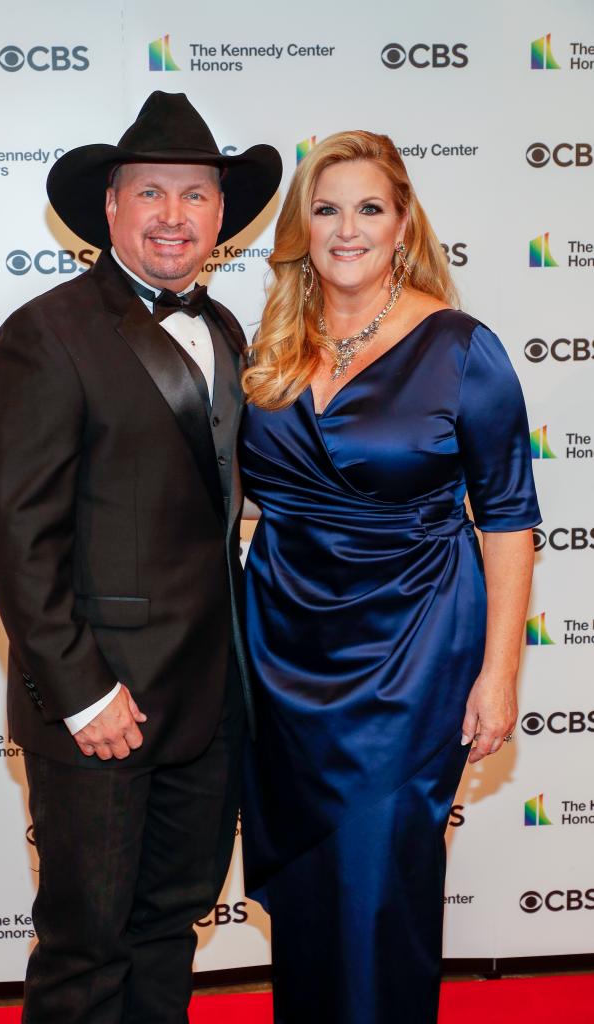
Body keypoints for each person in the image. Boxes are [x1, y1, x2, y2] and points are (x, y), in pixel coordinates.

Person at [0, 91, 281, 1024]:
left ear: (222, 215)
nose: (174, 216)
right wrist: (80, 693)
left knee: (166, 931)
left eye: (194, 195)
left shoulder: (228, 332)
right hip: (102, 705)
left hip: (207, 702)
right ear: (110, 207)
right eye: (151, 192)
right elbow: (17, 535)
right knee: (87, 946)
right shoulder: (46, 333)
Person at [239, 131, 539, 1024]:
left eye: (368, 207)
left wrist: (499, 672)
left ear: (402, 223)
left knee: (379, 886)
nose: (345, 229)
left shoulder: (460, 349)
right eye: (325, 209)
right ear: (301, 226)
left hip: (411, 653)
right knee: (303, 891)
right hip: (282, 650)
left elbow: (509, 518)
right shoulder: (271, 343)